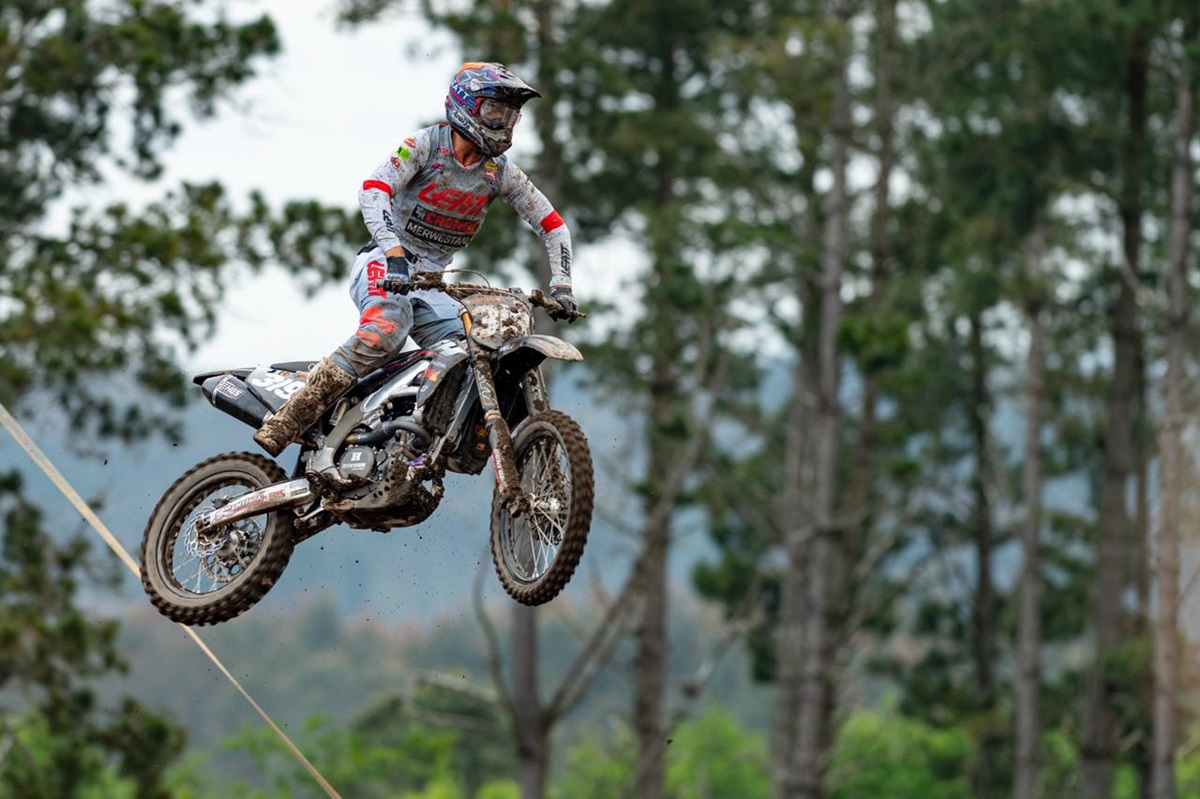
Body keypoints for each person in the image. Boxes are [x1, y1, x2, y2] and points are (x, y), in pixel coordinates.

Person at [254, 62, 579, 457]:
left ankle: (416, 439)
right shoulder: (425, 146)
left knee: (477, 351)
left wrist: (562, 285)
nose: (504, 122)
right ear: (466, 105)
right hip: (384, 262)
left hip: (433, 281)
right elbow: (374, 190)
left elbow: (553, 226)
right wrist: (393, 253)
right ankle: (289, 418)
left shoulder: (500, 172)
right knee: (387, 330)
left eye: (511, 115)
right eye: (495, 111)